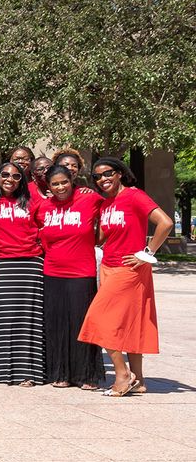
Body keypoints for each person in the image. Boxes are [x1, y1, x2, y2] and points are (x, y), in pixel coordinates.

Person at [79, 158, 174, 397]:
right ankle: (139, 379)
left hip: (129, 269)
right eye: (97, 177)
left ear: (120, 173)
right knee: (132, 323)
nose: (103, 179)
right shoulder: (106, 203)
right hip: (109, 266)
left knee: (98, 318)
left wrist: (147, 253)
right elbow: (99, 238)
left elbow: (165, 223)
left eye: (107, 173)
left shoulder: (134, 196)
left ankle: (122, 375)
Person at [34, 164, 104, 389]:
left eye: (64, 182)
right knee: (57, 324)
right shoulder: (44, 206)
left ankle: (86, 375)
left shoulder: (90, 199)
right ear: (49, 186)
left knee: (81, 323)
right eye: (55, 184)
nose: (60, 187)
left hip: (81, 272)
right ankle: (60, 373)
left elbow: (109, 213)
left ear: (72, 180)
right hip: (52, 271)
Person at [0, 162, 45, 387]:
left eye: (16, 176)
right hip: (1, 265)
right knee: (2, 319)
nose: (10, 179)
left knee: (29, 320)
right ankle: (2, 371)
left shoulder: (33, 201)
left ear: (23, 180)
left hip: (30, 264)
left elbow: (46, 225)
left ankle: (29, 372)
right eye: (5, 174)